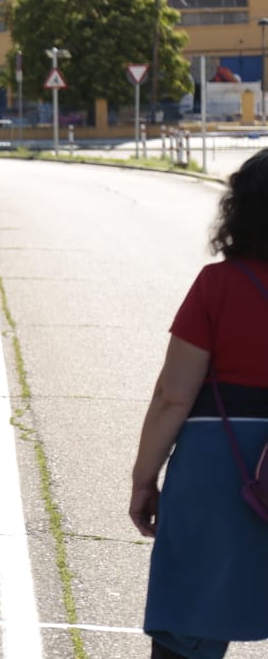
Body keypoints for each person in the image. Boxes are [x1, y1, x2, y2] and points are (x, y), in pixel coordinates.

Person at [130, 148, 268, 659]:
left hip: (224, 470)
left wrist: (144, 480)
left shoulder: (218, 286)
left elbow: (173, 396)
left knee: (189, 632)